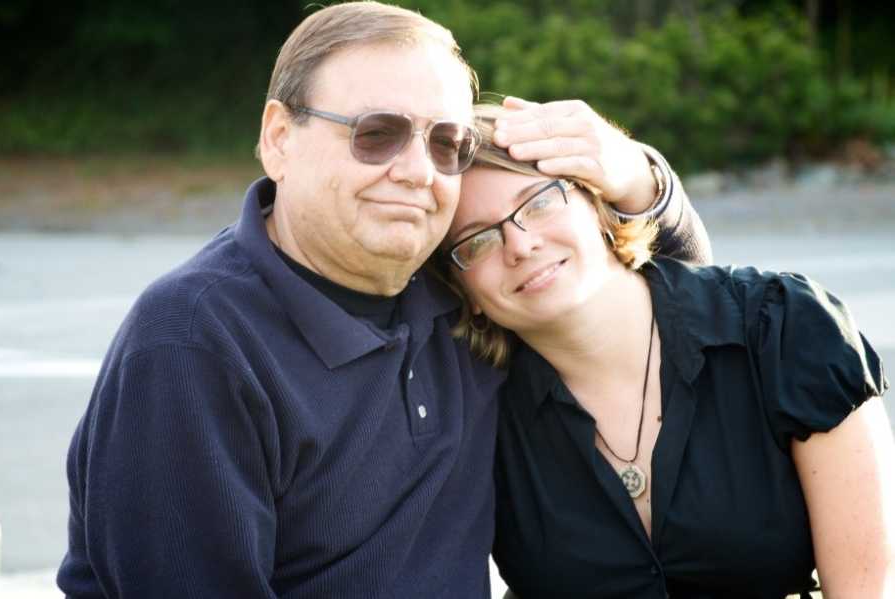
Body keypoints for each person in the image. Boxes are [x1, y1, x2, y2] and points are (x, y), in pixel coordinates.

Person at [56, 3, 709, 597]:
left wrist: (634, 174)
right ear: (279, 138)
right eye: (377, 133)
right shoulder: (195, 341)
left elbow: (672, 315)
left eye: (446, 142)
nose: (418, 170)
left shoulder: (466, 298)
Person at [434, 103, 895, 598]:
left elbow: (867, 589)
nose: (519, 245)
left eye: (540, 201)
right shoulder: (477, 417)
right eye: (477, 241)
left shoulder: (785, 328)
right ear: (464, 293)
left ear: (596, 202)